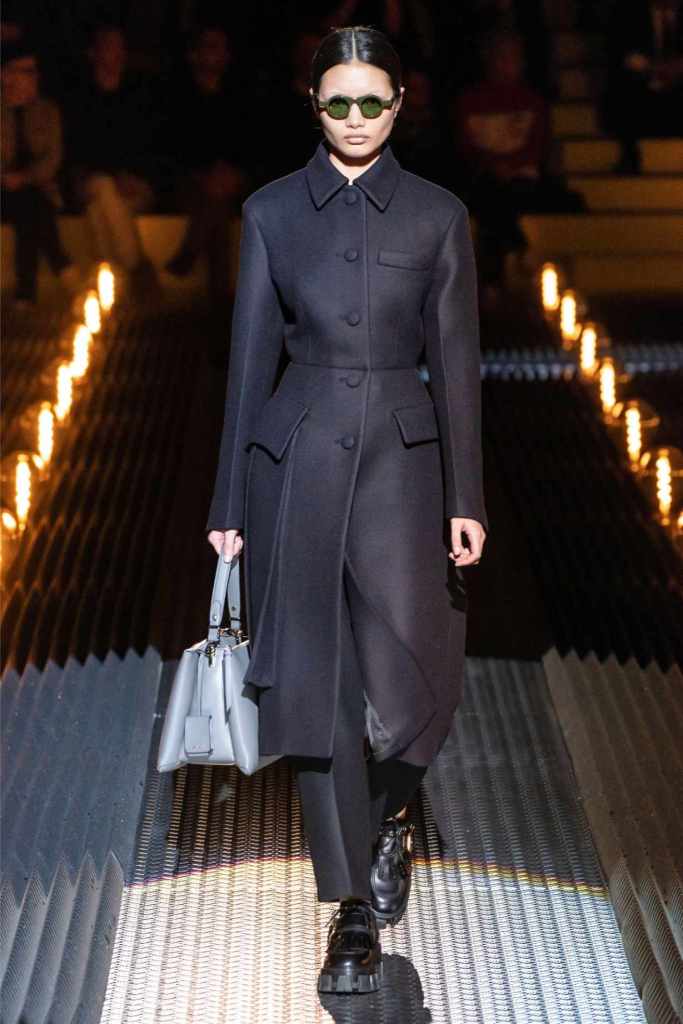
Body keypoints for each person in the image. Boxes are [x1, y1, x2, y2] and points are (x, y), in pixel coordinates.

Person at [206, 25, 488, 995]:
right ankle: (351, 908)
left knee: (417, 678)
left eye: (373, 100)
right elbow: (247, 359)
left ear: (399, 104)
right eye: (338, 100)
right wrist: (228, 501)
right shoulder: (271, 212)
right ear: (314, 104)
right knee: (315, 688)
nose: (356, 117)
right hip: (295, 462)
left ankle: (392, 810)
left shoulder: (438, 215)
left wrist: (465, 495)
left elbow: (456, 364)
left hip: (402, 467)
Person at [451, 28, 584, 301]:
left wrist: (510, 166)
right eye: (500, 57)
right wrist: (494, 166)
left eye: (512, 58)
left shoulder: (532, 102)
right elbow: (465, 146)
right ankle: (515, 247)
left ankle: (494, 276)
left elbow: (537, 145)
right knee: (491, 194)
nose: (506, 64)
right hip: (483, 179)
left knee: (496, 202)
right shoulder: (468, 101)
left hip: (523, 181)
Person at [61, 24, 162, 301]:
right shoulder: (80, 99)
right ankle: (136, 267)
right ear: (93, 53)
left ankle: (111, 288)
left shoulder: (138, 97)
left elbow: (151, 146)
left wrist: (135, 177)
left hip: (134, 187)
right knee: (102, 189)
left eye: (120, 47)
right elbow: (77, 151)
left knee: (99, 207)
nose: (116, 54)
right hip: (94, 183)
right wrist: (100, 176)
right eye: (109, 46)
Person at [161, 26, 250, 306]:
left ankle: (189, 253)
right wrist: (204, 174)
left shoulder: (238, 98)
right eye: (209, 46)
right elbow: (172, 147)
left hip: (230, 180)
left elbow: (248, 144)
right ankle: (221, 299)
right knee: (216, 202)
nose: (215, 54)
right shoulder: (177, 98)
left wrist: (229, 170)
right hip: (192, 181)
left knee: (218, 195)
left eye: (219, 47)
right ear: (194, 54)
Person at [1, 38, 81, 310]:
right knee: (32, 205)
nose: (34, 77)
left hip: (36, 188)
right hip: (4, 190)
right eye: (26, 71)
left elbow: (53, 158)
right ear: (6, 75)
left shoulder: (47, 111)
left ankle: (26, 293)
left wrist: (24, 178)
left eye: (35, 71)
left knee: (30, 204)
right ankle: (60, 264)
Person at [603, 0, 683, 174]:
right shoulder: (629, 13)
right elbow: (621, 52)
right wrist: (653, 68)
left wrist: (676, 68)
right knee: (622, 89)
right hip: (642, 82)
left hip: (678, 85)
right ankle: (630, 155)